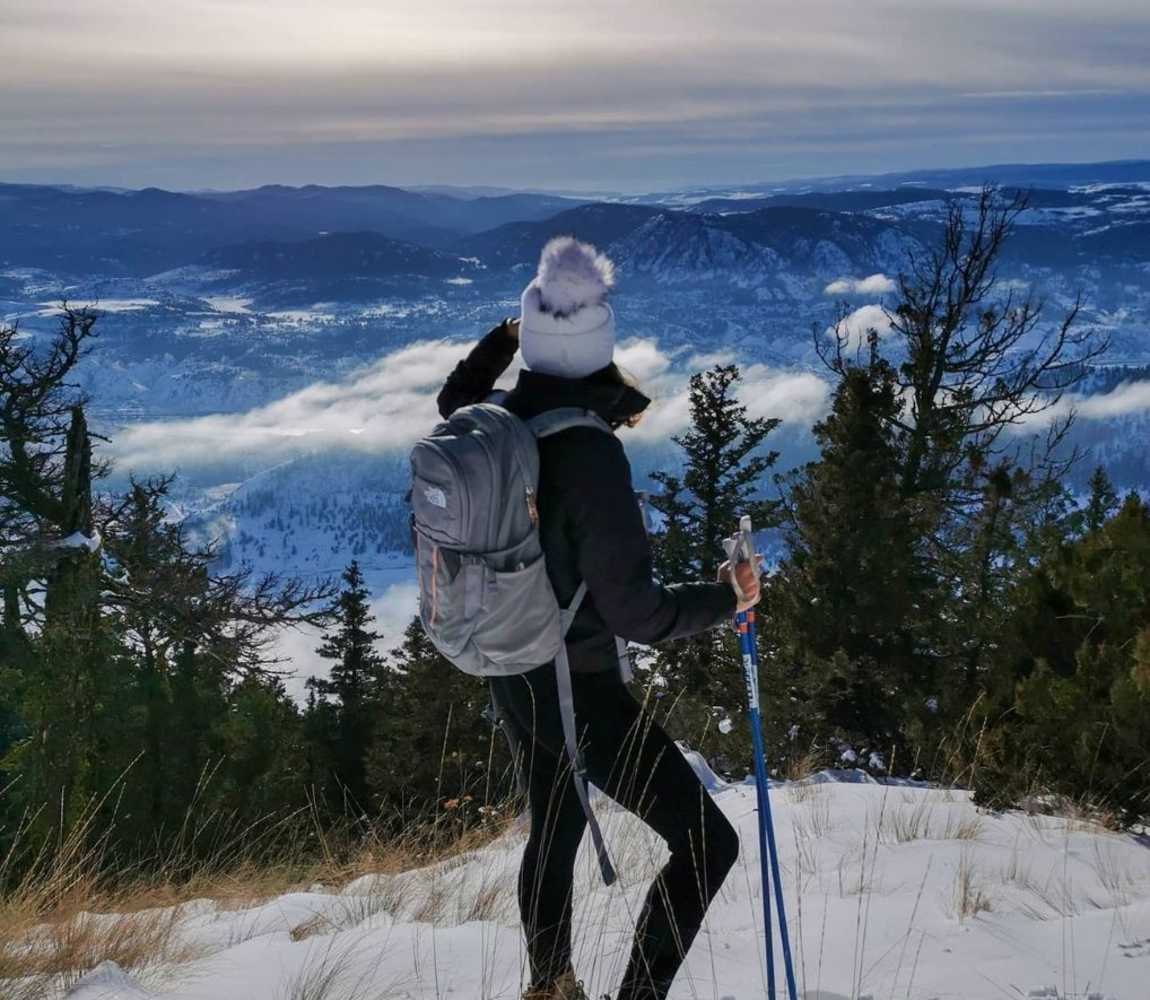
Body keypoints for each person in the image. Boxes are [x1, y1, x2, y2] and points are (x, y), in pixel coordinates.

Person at [436, 237, 760, 1000]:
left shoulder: (492, 422)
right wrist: (730, 596)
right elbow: (638, 613)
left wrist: (507, 336)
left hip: (512, 665)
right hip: (581, 686)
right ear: (600, 351)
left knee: (555, 821)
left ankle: (549, 985)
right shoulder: (588, 455)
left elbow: (452, 397)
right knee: (708, 846)